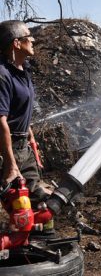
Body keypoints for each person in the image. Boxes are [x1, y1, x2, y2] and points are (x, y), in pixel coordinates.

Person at [0, 20, 48, 203]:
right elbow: (1, 121)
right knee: (21, 207)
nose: (33, 40)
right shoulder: (2, 75)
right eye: (29, 36)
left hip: (23, 148)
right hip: (6, 151)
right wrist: (10, 164)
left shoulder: (24, 70)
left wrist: (31, 137)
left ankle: (41, 232)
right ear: (16, 43)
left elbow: (19, 109)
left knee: (41, 205)